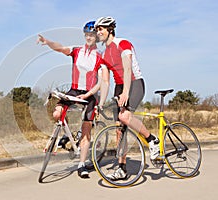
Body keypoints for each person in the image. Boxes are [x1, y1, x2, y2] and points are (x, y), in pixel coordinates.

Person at [37, 21, 108, 178]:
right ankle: (66, 134)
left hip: (90, 94)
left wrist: (90, 95)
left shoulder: (100, 56)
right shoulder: (77, 51)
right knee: (57, 114)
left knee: (86, 130)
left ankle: (81, 164)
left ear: (97, 37)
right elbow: (61, 48)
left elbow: (101, 81)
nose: (89, 37)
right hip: (74, 90)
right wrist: (48, 42)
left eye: (92, 35)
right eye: (87, 35)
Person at [94, 16, 160, 180]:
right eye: (96, 30)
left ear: (110, 29)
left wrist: (125, 92)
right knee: (119, 129)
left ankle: (152, 139)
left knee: (125, 116)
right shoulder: (103, 54)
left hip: (134, 83)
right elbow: (105, 81)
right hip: (119, 86)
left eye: (100, 29)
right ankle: (122, 168)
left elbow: (127, 69)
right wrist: (100, 103)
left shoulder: (123, 44)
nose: (98, 32)